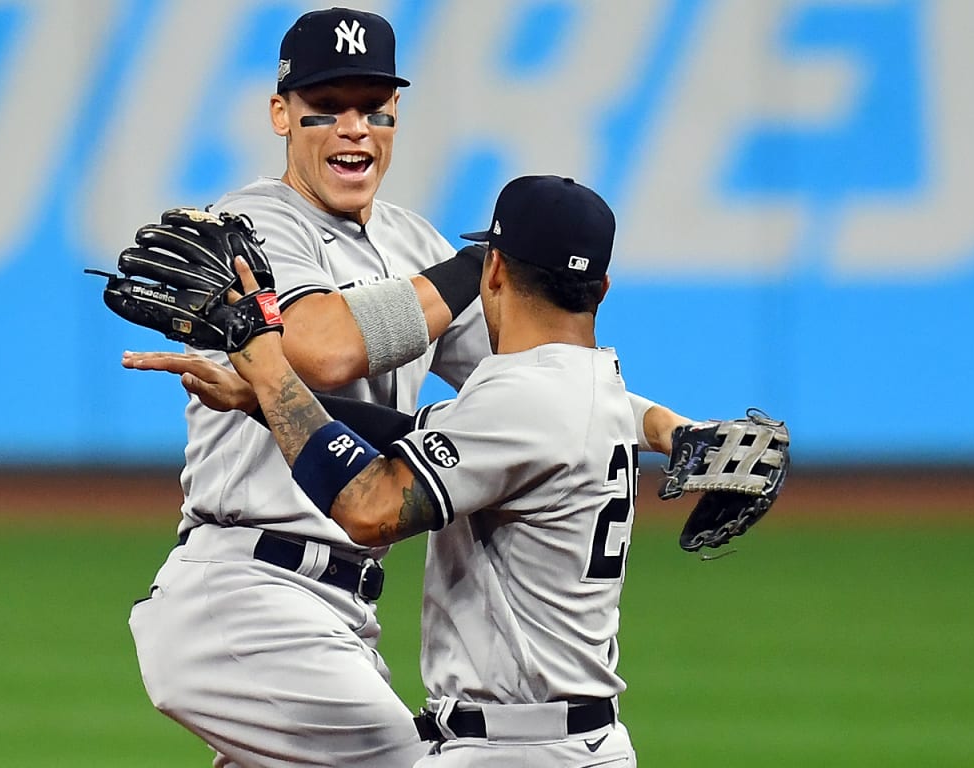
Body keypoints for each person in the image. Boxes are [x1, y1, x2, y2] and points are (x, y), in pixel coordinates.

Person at [123, 8, 689, 768]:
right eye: (326, 109)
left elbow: (539, 391)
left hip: (343, 616)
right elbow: (321, 351)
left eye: (374, 109)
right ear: (280, 115)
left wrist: (675, 432)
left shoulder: (411, 241)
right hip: (247, 592)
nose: (354, 128)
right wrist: (486, 261)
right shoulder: (256, 225)